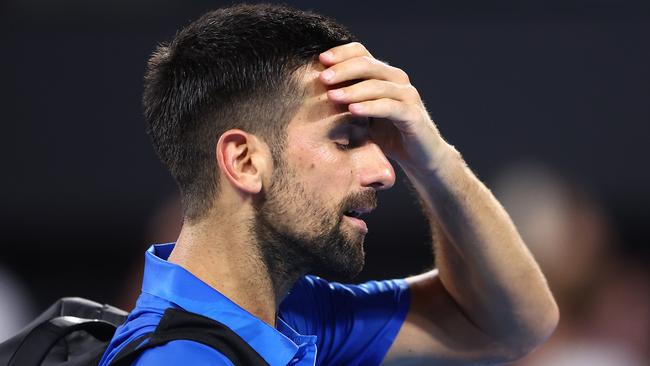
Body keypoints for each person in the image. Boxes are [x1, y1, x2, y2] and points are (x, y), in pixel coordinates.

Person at [99, 4, 558, 365]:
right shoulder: (180, 359)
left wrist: (432, 157)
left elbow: (513, 325)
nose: (385, 172)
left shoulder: (296, 314)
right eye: (345, 141)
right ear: (243, 160)